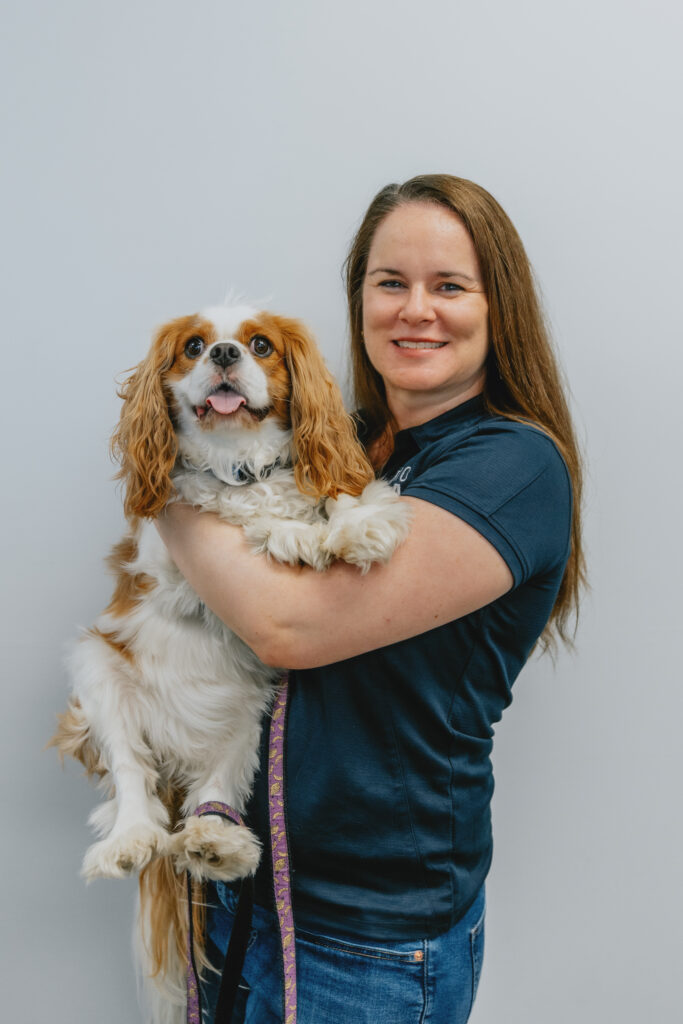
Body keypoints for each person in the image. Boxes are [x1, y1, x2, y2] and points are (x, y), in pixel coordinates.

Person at [156, 174, 584, 1024]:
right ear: (358, 300)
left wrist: (165, 491)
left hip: (369, 938)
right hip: (237, 889)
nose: (414, 309)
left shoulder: (511, 467)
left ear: (500, 308)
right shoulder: (341, 443)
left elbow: (286, 624)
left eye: (449, 286)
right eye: (389, 282)